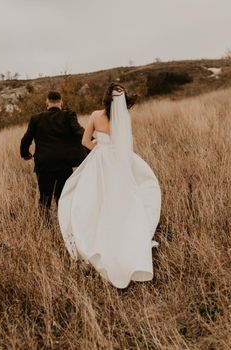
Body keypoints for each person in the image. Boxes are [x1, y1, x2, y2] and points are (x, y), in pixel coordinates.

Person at [58, 83, 161, 289]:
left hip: (99, 160)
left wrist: (100, 147)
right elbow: (126, 144)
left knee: (91, 198)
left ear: (105, 98)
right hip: (119, 162)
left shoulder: (96, 115)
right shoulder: (124, 119)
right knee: (128, 196)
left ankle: (91, 238)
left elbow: (86, 142)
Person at [20, 91, 87, 215]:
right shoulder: (68, 116)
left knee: (45, 198)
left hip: (44, 164)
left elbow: (26, 139)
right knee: (63, 198)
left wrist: (25, 154)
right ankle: (64, 226)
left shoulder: (36, 119)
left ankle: (45, 226)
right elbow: (80, 132)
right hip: (64, 164)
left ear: (47, 102)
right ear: (61, 102)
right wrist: (94, 142)